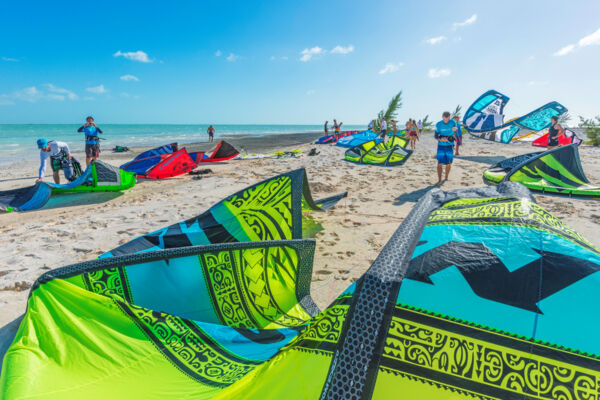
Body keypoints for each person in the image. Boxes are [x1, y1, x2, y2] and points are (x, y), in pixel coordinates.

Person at [434, 111, 458, 185]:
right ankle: (439, 180)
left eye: (448, 117)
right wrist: (440, 139)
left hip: (450, 145)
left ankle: (446, 177)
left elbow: (455, 130)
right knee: (439, 163)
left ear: (449, 117)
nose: (446, 119)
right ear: (442, 117)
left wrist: (455, 129)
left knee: (448, 163)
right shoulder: (438, 124)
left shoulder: (452, 122)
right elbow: (435, 135)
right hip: (441, 146)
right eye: (445, 117)